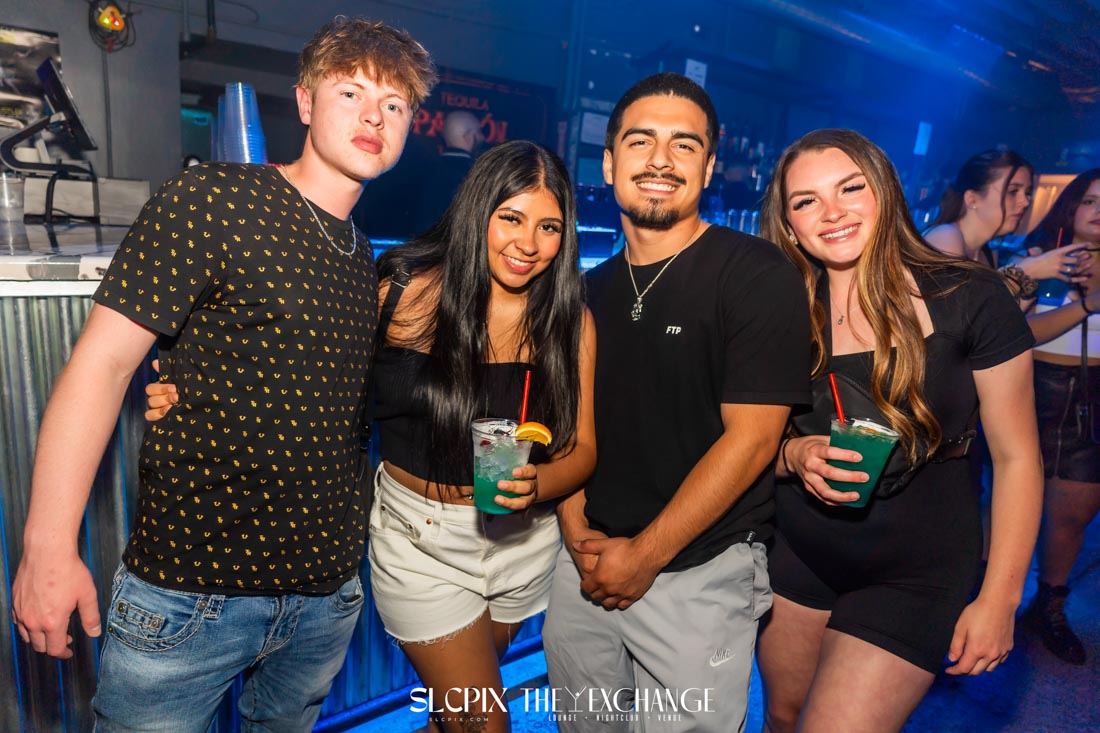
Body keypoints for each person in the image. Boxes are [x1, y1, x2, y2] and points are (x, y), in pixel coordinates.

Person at [11, 17, 436, 731]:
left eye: (394, 105)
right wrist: (47, 548)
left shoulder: (361, 253)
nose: (374, 116)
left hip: (323, 600)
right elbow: (102, 365)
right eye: (352, 93)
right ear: (304, 102)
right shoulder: (214, 199)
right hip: (191, 593)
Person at [542, 72, 812, 733]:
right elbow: (566, 424)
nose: (660, 160)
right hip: (584, 563)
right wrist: (576, 532)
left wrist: (644, 556)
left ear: (709, 167)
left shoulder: (755, 273)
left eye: (684, 145)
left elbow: (753, 439)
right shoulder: (584, 290)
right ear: (609, 163)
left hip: (699, 570)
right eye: (641, 141)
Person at [756, 129, 1043, 733]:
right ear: (789, 223)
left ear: (885, 190)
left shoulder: (969, 296)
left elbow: (1018, 458)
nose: (831, 212)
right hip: (799, 554)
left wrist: (1000, 598)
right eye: (806, 200)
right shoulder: (777, 310)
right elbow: (747, 442)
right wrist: (794, 454)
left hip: (917, 571)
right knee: (782, 716)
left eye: (850, 188)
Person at [366, 139, 596, 733]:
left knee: (454, 718)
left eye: (549, 227)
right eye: (511, 218)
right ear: (478, 212)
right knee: (484, 723)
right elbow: (310, 378)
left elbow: (582, 450)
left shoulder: (568, 320)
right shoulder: (402, 291)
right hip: (421, 546)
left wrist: (537, 483)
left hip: (523, 545)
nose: (528, 243)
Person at [1017, 169, 1100, 665]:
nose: (1099, 211)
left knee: (1073, 512)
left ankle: (1048, 606)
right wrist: (1084, 301)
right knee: (1004, 502)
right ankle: (980, 594)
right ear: (1071, 205)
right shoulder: (1038, 256)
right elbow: (1015, 332)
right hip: (1031, 389)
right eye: (1090, 200)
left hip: (1092, 396)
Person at [924, 149, 1091, 301]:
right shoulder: (946, 236)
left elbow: (993, 319)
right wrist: (1023, 272)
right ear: (972, 199)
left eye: (1027, 193)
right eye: (1013, 192)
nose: (1025, 202)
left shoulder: (989, 254)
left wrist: (1035, 277)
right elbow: (952, 310)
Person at [414, 109, 485, 230]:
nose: (482, 137)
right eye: (479, 132)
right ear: (468, 137)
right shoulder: (475, 176)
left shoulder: (421, 171)